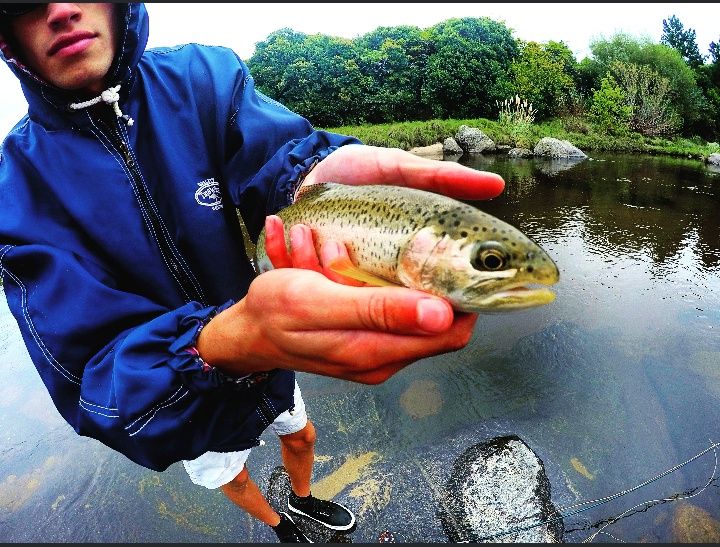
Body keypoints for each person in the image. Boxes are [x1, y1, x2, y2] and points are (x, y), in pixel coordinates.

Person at [0, 3, 505, 543]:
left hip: (273, 357)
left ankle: (304, 498)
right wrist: (221, 344)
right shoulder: (16, 189)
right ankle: (279, 525)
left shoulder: (204, 78)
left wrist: (312, 182)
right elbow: (94, 384)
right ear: (6, 34)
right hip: (181, 405)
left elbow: (279, 158)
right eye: (25, 1)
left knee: (302, 434)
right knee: (232, 474)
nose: (61, 10)